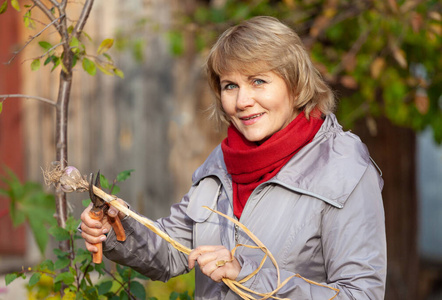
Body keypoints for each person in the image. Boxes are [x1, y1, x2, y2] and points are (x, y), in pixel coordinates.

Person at [80, 16, 387, 299]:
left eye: (258, 81)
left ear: (296, 84)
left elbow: (360, 294)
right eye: (230, 86)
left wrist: (251, 275)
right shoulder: (222, 164)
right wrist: (117, 229)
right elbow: (173, 253)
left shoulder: (343, 170)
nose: (242, 101)